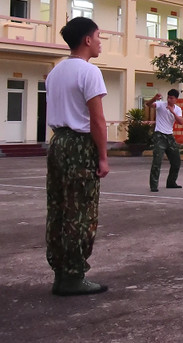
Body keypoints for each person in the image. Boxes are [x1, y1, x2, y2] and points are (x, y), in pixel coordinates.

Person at [45, 17, 110, 296]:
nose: (99, 42)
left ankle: (61, 273)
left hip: (57, 142)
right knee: (81, 211)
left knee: (58, 209)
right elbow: (97, 120)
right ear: (86, 40)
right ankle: (74, 275)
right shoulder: (88, 71)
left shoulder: (55, 72)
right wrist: (103, 157)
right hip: (80, 145)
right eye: (98, 36)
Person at [146, 89, 183, 192]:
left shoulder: (177, 109)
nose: (169, 99)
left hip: (169, 136)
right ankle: (154, 185)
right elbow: (148, 104)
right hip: (159, 135)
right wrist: (154, 98)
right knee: (157, 161)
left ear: (176, 99)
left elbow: (181, 121)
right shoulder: (161, 105)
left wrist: (172, 112)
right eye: (168, 97)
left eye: (171, 98)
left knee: (176, 161)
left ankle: (171, 182)